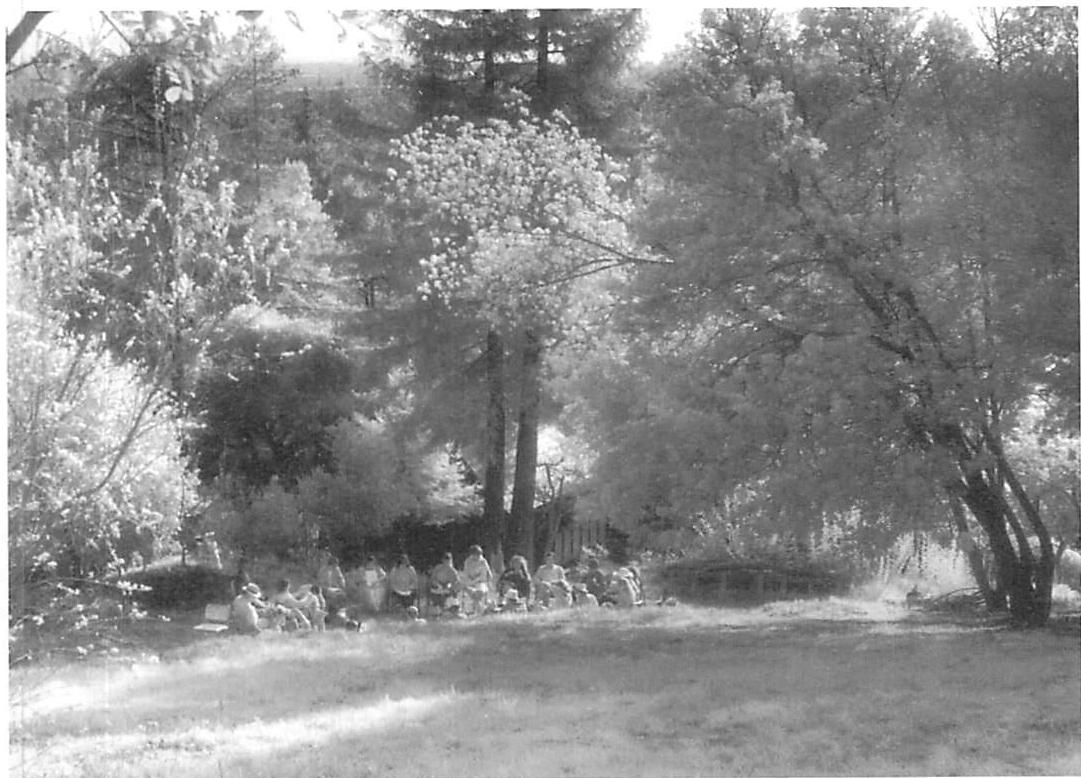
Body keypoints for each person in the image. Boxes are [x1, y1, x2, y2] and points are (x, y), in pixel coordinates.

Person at [462, 545, 493, 615]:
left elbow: (484, 575)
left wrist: (476, 579)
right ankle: (480, 610)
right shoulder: (467, 562)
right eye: (476, 554)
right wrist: (470, 581)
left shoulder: (483, 561)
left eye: (479, 554)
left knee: (479, 593)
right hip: (470, 583)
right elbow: (466, 574)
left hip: (481, 582)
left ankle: (475, 610)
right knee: (469, 590)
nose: (478, 556)